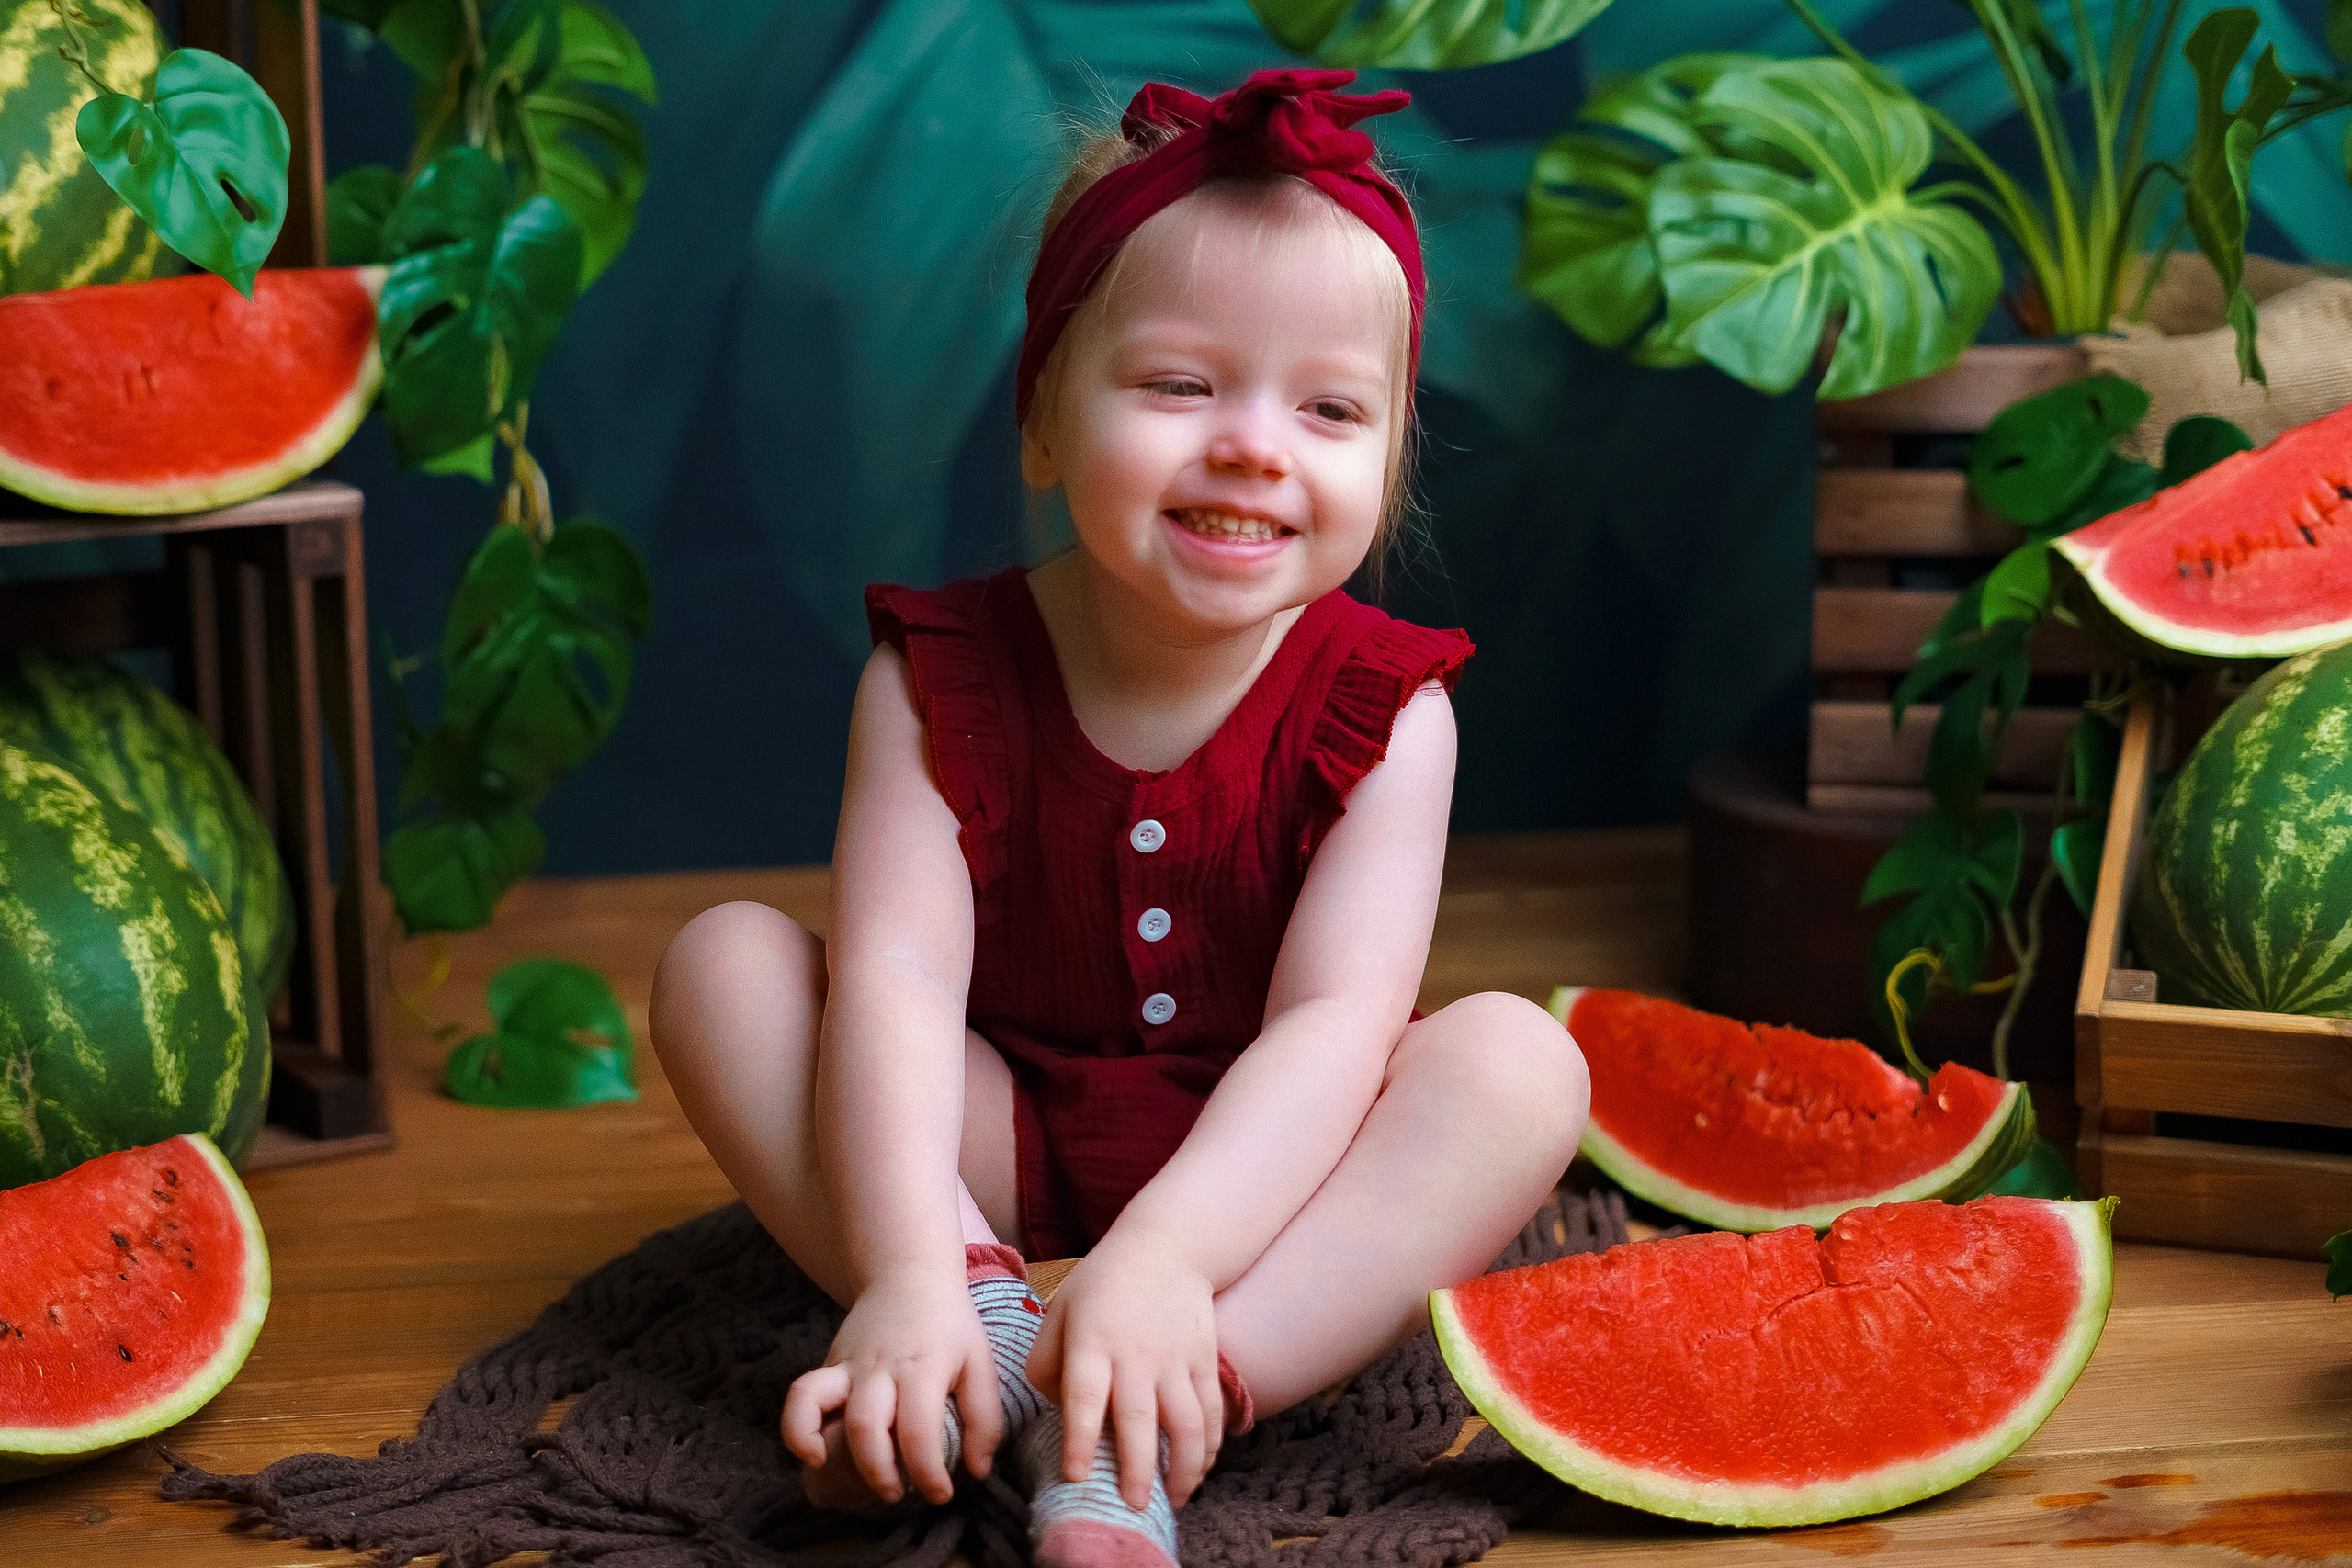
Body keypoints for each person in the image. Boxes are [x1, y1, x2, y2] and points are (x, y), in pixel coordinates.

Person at [650, 67, 1589, 1568]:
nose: (1253, 446)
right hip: (992, 1145)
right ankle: (965, 1325)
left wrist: (1166, 1256)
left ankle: (1174, 1396)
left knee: (1519, 1067)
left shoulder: (1396, 715)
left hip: (1275, 1171)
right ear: (1041, 417)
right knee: (727, 966)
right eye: (1179, 385)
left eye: (1331, 408)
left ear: (1389, 462)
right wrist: (902, 1258)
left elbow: (1334, 1033)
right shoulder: (931, 678)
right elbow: (899, 982)